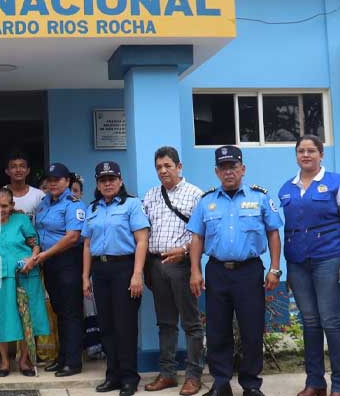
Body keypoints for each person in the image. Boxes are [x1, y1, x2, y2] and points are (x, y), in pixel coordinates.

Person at [188, 146, 282, 396]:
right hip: (217, 272)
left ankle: (251, 384)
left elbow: (273, 233)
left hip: (249, 271)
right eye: (224, 168)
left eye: (234, 167)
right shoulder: (206, 201)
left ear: (243, 169)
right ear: (217, 172)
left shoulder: (259, 197)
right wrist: (195, 271)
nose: (229, 172)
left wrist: (274, 268)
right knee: (217, 329)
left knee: (251, 329)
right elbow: (197, 237)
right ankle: (220, 383)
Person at [279, 134, 340, 396]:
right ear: (296, 155)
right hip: (298, 264)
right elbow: (286, 229)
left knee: (331, 322)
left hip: (329, 258)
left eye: (311, 151)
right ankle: (315, 382)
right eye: (301, 151)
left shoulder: (335, 182)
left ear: (321, 154)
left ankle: (339, 383)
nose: (306, 155)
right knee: (310, 322)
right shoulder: (286, 188)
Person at [81, 161, 149, 396]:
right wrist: (85, 276)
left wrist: (137, 274)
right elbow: (88, 244)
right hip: (100, 271)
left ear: (120, 181)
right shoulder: (93, 209)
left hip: (125, 269)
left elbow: (142, 240)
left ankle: (130, 377)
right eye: (103, 180)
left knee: (125, 326)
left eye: (112, 179)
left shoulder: (132, 205)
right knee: (107, 326)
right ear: (98, 185)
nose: (107, 183)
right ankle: (113, 375)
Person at [142, 147, 204, 395]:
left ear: (179, 167)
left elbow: (205, 234)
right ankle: (167, 374)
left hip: (182, 265)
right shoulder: (151, 196)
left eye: (168, 166)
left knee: (191, 323)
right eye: (158, 167)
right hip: (156, 265)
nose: (163, 171)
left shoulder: (195, 195)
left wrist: (185, 252)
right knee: (165, 323)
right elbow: (144, 232)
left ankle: (193, 375)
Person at [0, 187, 50, 377]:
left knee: (28, 317)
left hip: (25, 273)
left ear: (12, 206)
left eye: (4, 206)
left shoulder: (22, 220)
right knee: (1, 318)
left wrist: (32, 259)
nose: (0, 210)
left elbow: (35, 244)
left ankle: (24, 360)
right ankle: (3, 362)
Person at [33, 162, 86, 377]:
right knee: (59, 311)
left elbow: (72, 237)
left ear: (67, 181)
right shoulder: (44, 203)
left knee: (71, 312)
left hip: (68, 261)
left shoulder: (74, 204)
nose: (53, 183)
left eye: (58, 180)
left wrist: (44, 255)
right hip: (50, 263)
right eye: (50, 180)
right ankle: (62, 356)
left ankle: (73, 362)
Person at [5, 150, 45, 223]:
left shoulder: (39, 195)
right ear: (7, 171)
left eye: (22, 166)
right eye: (13, 167)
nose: (18, 170)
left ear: (28, 170)